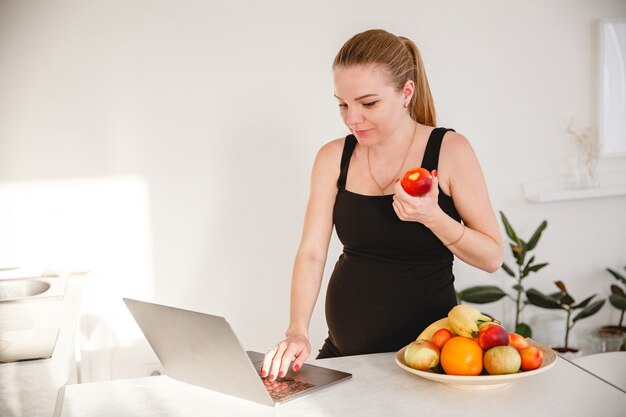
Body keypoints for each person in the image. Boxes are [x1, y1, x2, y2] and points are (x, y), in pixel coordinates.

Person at [261, 29, 503, 381]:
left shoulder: (450, 150)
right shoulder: (333, 157)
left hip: (430, 361)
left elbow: (492, 257)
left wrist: (433, 217)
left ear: (406, 92)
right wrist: (297, 330)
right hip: (346, 355)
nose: (352, 118)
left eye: (368, 103)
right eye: (343, 104)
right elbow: (312, 253)